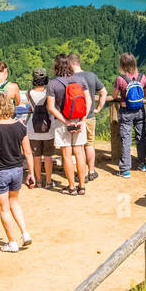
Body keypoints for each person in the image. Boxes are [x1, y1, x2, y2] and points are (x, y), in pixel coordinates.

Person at [0, 92, 35, 252]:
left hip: (0, 173)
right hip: (17, 170)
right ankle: (25, 234)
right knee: (14, 202)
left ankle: (12, 243)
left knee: (4, 209)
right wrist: (31, 173)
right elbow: (28, 152)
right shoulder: (21, 127)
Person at [46, 53, 91, 195]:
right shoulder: (80, 79)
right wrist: (82, 119)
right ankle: (82, 186)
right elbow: (88, 100)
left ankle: (71, 187)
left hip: (62, 122)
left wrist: (65, 121)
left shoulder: (52, 83)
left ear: (56, 66)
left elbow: (51, 107)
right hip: (79, 120)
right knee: (79, 152)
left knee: (66, 154)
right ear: (70, 65)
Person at [68, 52, 106, 181]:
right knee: (89, 144)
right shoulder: (91, 76)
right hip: (89, 116)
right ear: (78, 62)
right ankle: (91, 171)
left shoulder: (68, 78)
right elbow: (103, 92)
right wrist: (98, 109)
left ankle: (81, 173)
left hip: (74, 118)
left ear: (70, 64)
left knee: (78, 146)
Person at [114, 52, 146, 178]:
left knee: (126, 139)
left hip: (126, 110)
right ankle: (142, 163)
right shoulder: (142, 77)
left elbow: (114, 95)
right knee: (141, 137)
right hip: (140, 110)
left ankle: (125, 169)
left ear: (122, 64)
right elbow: (144, 94)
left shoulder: (120, 79)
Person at [24, 68, 55, 188]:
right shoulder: (49, 93)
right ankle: (48, 181)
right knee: (48, 156)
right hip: (49, 128)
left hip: (33, 129)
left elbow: (31, 107)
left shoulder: (28, 93)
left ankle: (38, 181)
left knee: (36, 156)